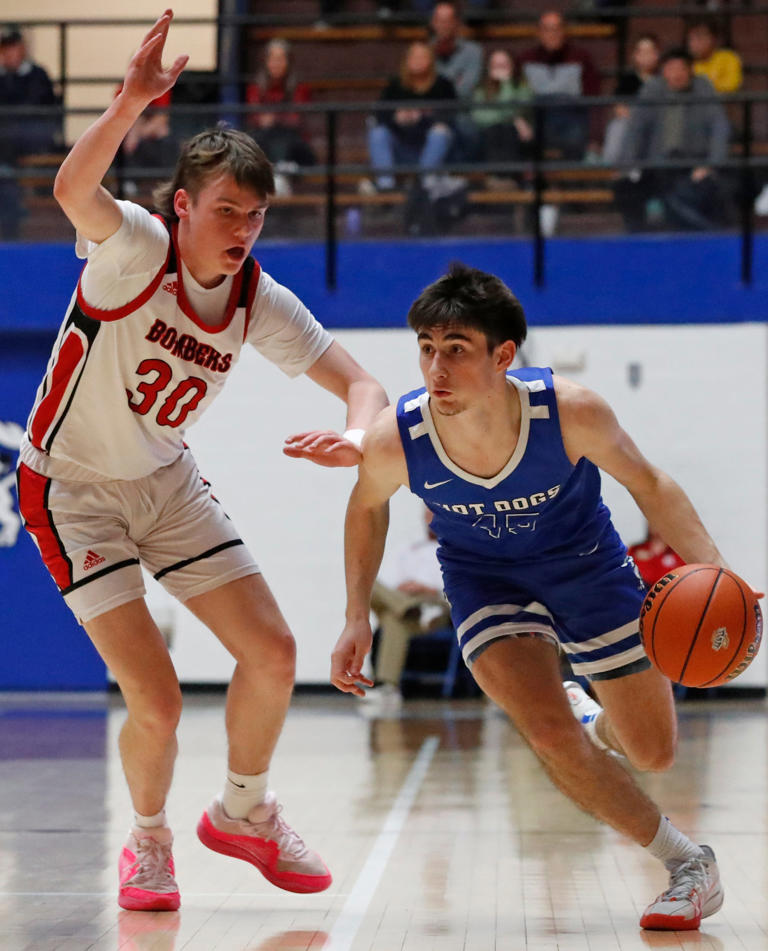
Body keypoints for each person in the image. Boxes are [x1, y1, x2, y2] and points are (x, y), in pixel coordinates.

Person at [15, 11, 387, 913]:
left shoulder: (257, 296)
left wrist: (360, 436)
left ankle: (245, 812)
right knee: (161, 697)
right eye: (227, 210)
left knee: (271, 652)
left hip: (166, 480)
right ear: (182, 205)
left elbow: (363, 382)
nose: (244, 229)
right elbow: (71, 186)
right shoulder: (134, 246)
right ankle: (147, 845)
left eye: (256, 215)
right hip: (71, 491)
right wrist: (130, 101)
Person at [331, 261, 737, 931]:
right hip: (485, 577)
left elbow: (650, 483)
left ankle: (594, 716)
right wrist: (355, 616)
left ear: (504, 355)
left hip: (585, 566)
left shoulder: (569, 411)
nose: (435, 369)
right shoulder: (398, 437)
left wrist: (717, 571)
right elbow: (365, 507)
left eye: (456, 350)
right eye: (426, 349)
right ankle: (687, 862)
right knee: (544, 728)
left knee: (654, 751)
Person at [614, 47, 731, 232]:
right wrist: (628, 167)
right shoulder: (652, 89)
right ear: (663, 71)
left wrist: (710, 165)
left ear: (690, 71)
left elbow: (719, 128)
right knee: (625, 187)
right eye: (671, 69)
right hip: (656, 165)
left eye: (681, 69)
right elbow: (636, 129)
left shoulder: (703, 88)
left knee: (687, 194)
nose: (676, 74)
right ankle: (637, 240)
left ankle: (710, 235)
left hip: (692, 166)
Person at [365, 504, 452, 711]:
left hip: (437, 605)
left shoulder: (455, 550)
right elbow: (388, 583)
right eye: (428, 513)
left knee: (392, 620)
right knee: (367, 583)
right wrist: (406, 588)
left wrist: (428, 589)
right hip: (406, 604)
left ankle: (387, 686)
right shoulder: (409, 549)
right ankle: (408, 608)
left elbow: (459, 589)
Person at [362, 40, 456, 194]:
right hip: (401, 146)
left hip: (429, 148)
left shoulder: (443, 85)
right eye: (413, 57)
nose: (417, 61)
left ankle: (423, 185)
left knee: (440, 132)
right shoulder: (395, 85)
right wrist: (396, 117)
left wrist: (421, 117)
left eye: (422, 57)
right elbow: (379, 113)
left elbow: (451, 116)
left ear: (431, 60)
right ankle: (386, 186)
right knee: (378, 132)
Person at [516, 11, 602, 161]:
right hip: (537, 116)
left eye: (556, 29)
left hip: (571, 116)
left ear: (564, 32)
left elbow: (594, 101)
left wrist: (595, 138)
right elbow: (515, 96)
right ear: (539, 33)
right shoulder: (525, 59)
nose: (552, 34)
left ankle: (571, 180)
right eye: (547, 29)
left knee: (574, 134)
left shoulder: (581, 57)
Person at [0, 24, 59, 239]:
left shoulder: (38, 75)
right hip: (6, 140)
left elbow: (42, 109)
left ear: (22, 49)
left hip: (32, 136)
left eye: (12, 47)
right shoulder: (2, 78)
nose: (8, 53)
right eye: (4, 49)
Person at [244, 38, 317, 196]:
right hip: (265, 139)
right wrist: (273, 119)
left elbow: (297, 118)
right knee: (259, 139)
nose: (277, 63)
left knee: (284, 137)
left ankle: (281, 171)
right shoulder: (256, 86)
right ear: (266, 61)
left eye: (281, 59)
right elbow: (255, 117)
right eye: (273, 59)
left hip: (293, 141)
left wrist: (274, 118)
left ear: (288, 62)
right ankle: (276, 173)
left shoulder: (299, 87)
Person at [471, 49, 533, 182]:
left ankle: (509, 179)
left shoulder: (522, 88)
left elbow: (520, 108)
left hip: (516, 139)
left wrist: (506, 84)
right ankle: (498, 178)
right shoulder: (481, 90)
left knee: (508, 130)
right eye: (495, 66)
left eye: (504, 66)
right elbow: (479, 117)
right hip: (489, 137)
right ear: (488, 68)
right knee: (496, 129)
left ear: (512, 67)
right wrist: (515, 119)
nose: (500, 70)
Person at [602, 34, 660, 166]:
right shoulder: (627, 80)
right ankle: (611, 168)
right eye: (641, 52)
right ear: (635, 56)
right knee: (617, 127)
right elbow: (619, 108)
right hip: (632, 122)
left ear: (657, 55)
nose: (646, 56)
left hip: (657, 122)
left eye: (650, 52)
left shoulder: (663, 80)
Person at [686, 20, 743, 95]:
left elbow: (732, 85)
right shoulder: (685, 62)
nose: (694, 43)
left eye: (699, 38)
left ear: (714, 39)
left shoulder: (728, 57)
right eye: (691, 39)